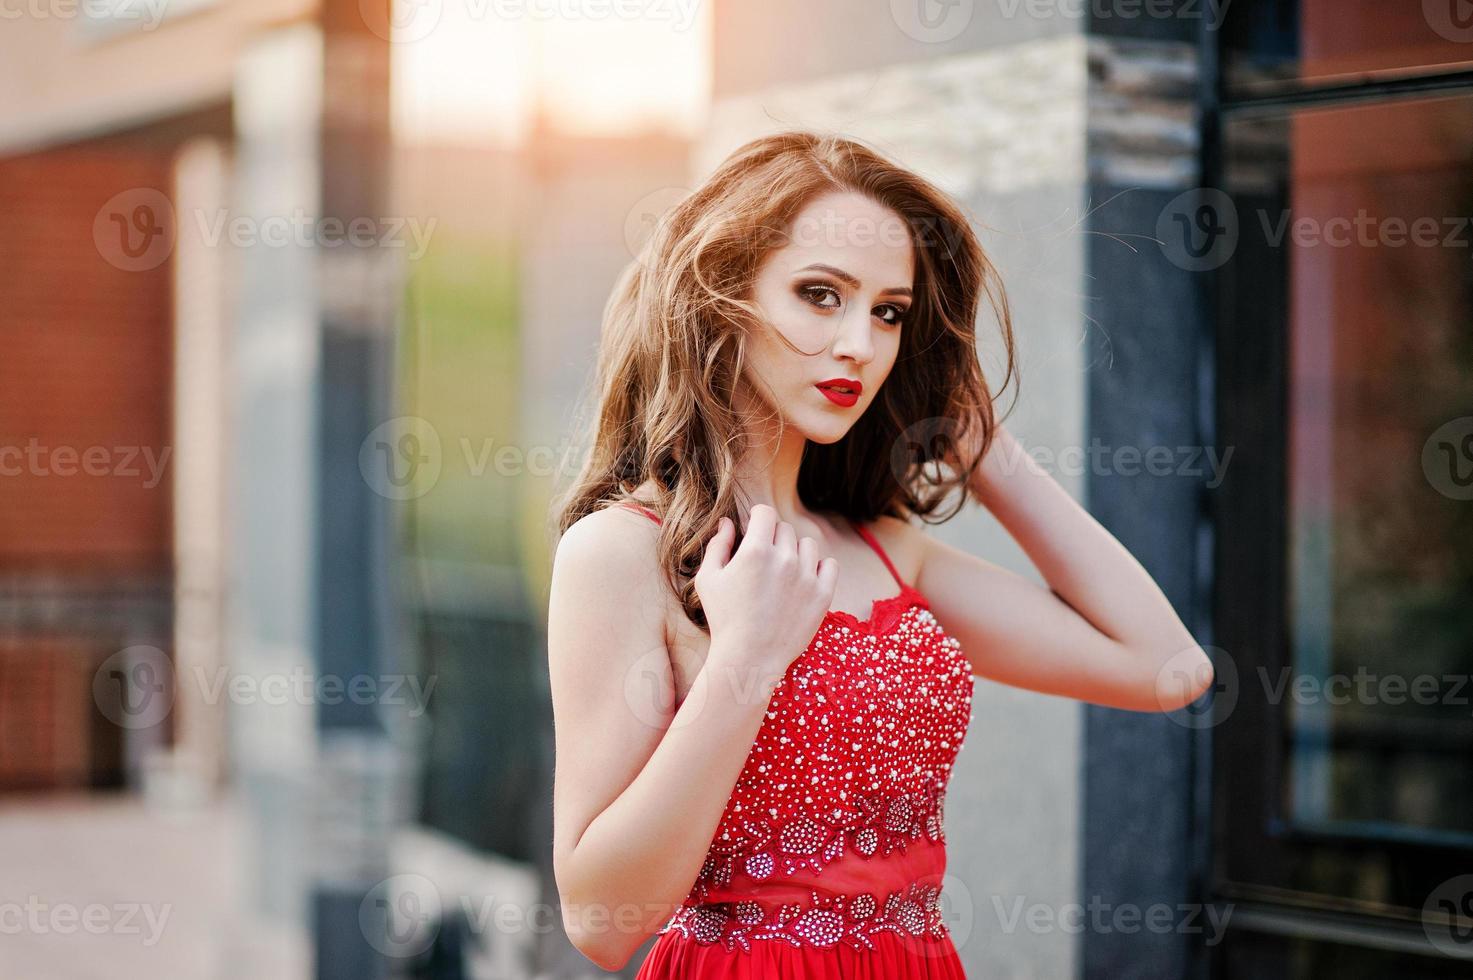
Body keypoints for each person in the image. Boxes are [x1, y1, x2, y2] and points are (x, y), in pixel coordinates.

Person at [545, 130, 1214, 976]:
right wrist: (744, 660)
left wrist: (985, 451)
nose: (860, 343)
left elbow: (1166, 669)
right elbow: (602, 923)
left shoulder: (892, 555)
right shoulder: (620, 552)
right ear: (720, 300)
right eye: (820, 295)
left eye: (888, 312)